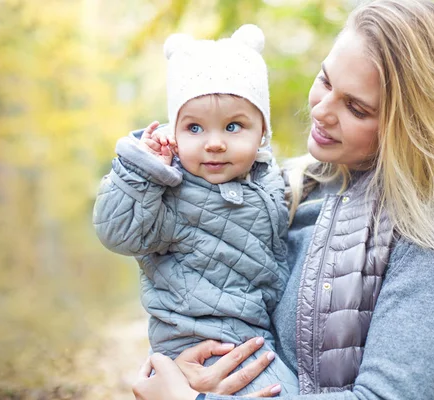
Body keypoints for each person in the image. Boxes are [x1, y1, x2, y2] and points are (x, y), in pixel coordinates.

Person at [131, 0, 434, 399]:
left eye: (356, 107)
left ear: (410, 124)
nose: (322, 110)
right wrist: (188, 365)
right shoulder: (285, 189)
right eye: (325, 80)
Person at [93, 25, 299, 395]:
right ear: (175, 131)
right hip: (196, 346)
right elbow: (117, 232)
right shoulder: (169, 189)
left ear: (262, 133)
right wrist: (143, 170)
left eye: (233, 126)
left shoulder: (269, 180)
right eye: (194, 128)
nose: (215, 143)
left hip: (253, 337)